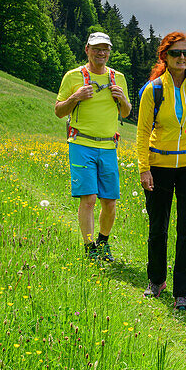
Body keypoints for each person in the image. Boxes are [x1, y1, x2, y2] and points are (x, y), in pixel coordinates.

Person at [137, 31, 186, 310]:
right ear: (165, 56)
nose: (182, 58)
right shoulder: (153, 90)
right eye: (175, 53)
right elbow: (142, 131)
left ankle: (182, 292)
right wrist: (143, 168)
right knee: (157, 227)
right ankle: (156, 280)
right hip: (159, 164)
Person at [55, 32, 132, 261]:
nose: (101, 53)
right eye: (97, 48)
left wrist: (122, 100)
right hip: (81, 143)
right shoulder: (73, 77)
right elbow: (59, 111)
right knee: (88, 199)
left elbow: (126, 113)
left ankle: (103, 242)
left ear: (109, 52)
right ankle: (89, 249)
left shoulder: (118, 78)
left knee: (109, 201)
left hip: (109, 146)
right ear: (87, 49)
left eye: (105, 49)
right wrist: (75, 97)